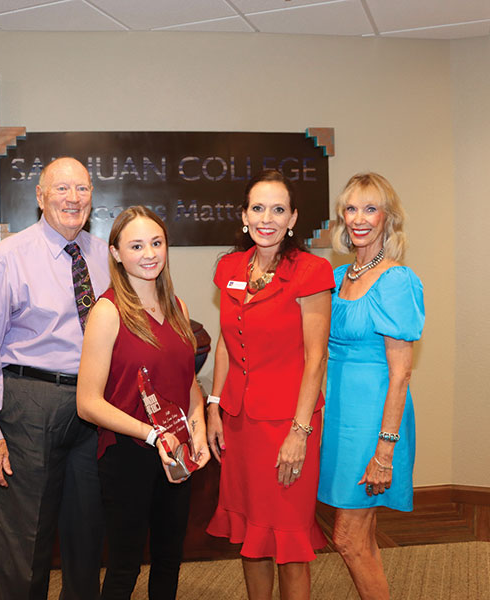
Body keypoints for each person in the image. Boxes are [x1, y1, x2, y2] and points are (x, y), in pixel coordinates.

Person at [0, 157, 107, 600]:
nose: (73, 198)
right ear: (40, 196)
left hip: (94, 405)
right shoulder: (9, 256)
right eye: (61, 189)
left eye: (81, 189)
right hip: (31, 404)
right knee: (24, 539)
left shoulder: (103, 255)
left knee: (87, 534)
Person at [205, 170, 333, 600]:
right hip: (240, 424)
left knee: (290, 543)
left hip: (287, 425)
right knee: (251, 538)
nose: (267, 218)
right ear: (243, 216)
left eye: (278, 209)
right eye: (258, 208)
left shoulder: (310, 271)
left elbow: (316, 358)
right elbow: (225, 341)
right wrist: (215, 407)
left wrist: (300, 432)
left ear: (293, 218)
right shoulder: (229, 268)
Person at [76, 206, 210, 600]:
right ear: (116, 253)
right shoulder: (107, 311)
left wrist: (197, 431)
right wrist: (153, 436)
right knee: (124, 567)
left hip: (177, 451)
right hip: (129, 453)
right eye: (136, 245)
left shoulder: (178, 307)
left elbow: (189, 384)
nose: (149, 253)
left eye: (156, 242)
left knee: (169, 560)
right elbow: (87, 403)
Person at [318, 172, 424, 600]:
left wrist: (385, 450)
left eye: (370, 208)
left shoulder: (396, 280)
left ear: (388, 218)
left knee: (346, 538)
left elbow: (401, 373)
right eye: (351, 208)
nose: (359, 218)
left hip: (375, 423)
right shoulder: (340, 274)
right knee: (362, 539)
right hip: (342, 417)